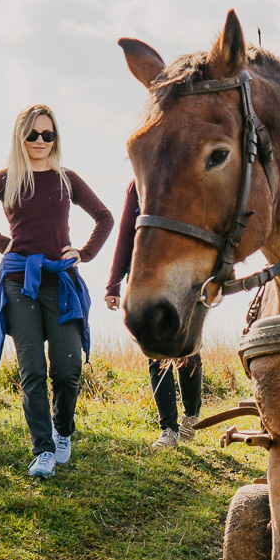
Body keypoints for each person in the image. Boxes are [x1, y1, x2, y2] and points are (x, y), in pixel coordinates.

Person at [0, 104, 114, 479]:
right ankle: (42, 450)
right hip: (19, 283)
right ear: (20, 137)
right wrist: (0, 242)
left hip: (61, 282)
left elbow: (105, 217)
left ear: (55, 139)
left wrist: (85, 253)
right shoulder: (6, 179)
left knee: (68, 367)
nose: (40, 141)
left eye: (48, 135)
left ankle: (63, 431)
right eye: (33, 135)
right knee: (32, 370)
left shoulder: (66, 178)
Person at [105, 181, 203, 448]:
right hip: (147, 278)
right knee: (155, 353)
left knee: (187, 350)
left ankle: (191, 417)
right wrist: (114, 282)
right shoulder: (138, 185)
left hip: (186, 276)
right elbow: (126, 232)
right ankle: (169, 430)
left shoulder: (190, 174)